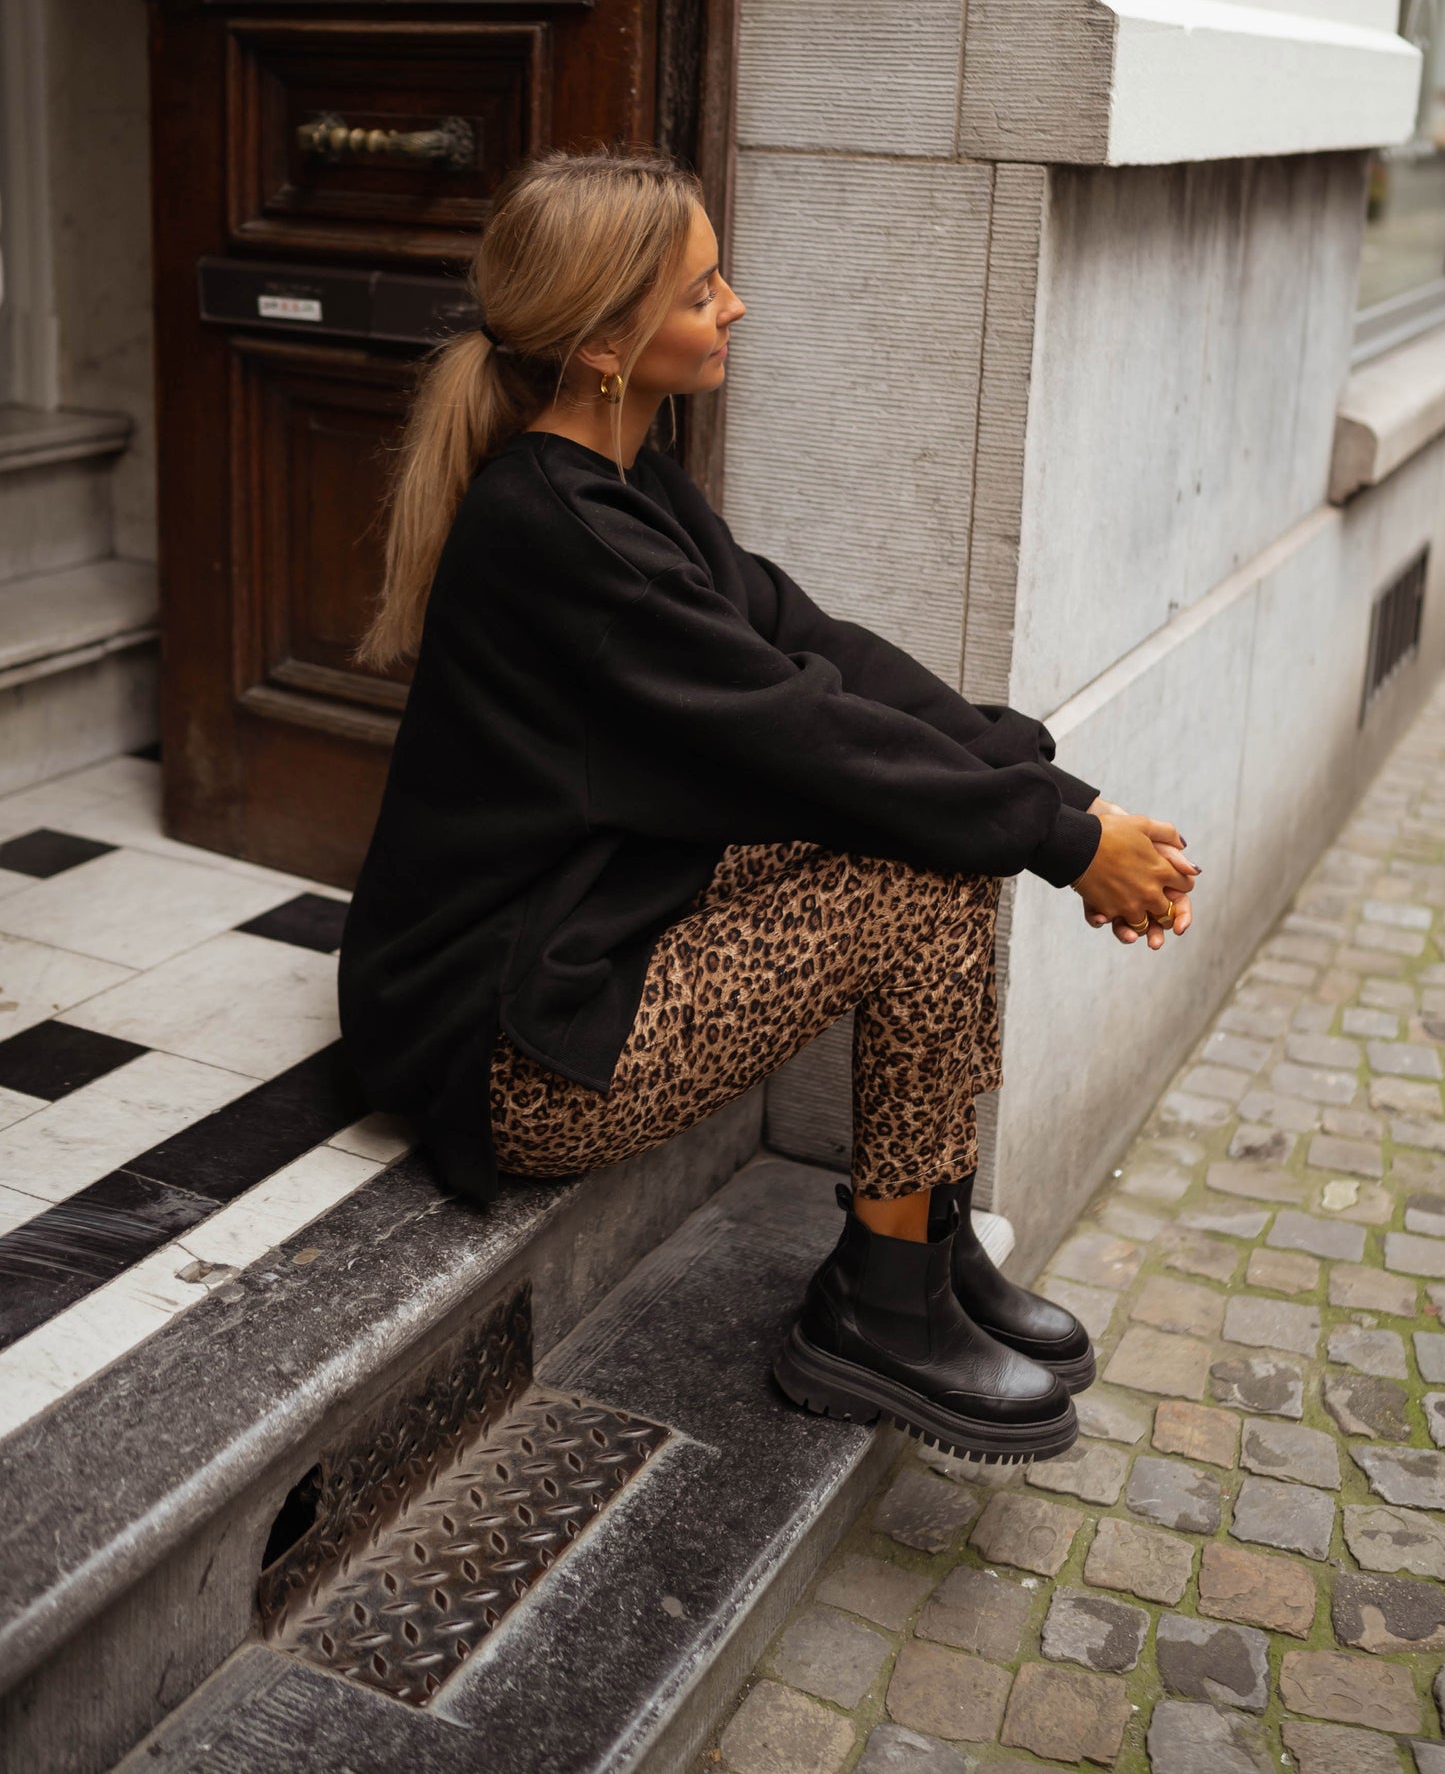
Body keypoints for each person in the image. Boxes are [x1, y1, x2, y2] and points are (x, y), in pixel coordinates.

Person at [339, 146, 1200, 1465]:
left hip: (589, 923)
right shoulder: (555, 531)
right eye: (699, 291)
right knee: (912, 876)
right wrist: (1064, 842)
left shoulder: (625, 481)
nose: (733, 305)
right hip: (511, 1043)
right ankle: (880, 1305)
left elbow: (819, 651)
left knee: (928, 836)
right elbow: (799, 732)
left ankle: (924, 1240)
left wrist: (1062, 800)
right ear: (604, 345)